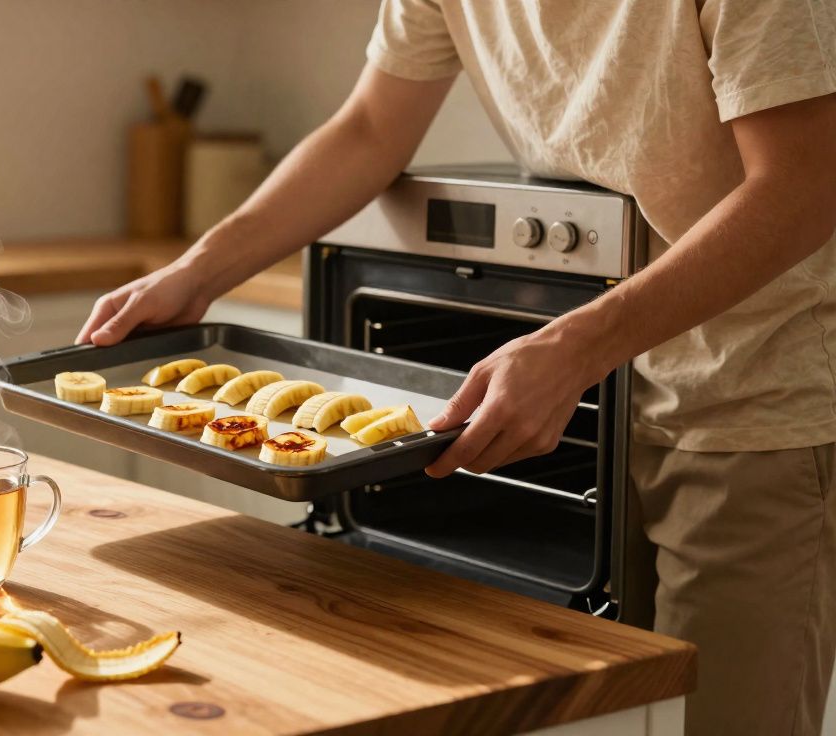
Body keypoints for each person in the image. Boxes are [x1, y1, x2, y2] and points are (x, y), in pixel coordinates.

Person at [77, 2, 836, 734]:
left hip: (747, 398)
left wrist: (576, 345)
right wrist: (200, 271)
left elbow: (804, 183)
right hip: (581, 395)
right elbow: (371, 128)